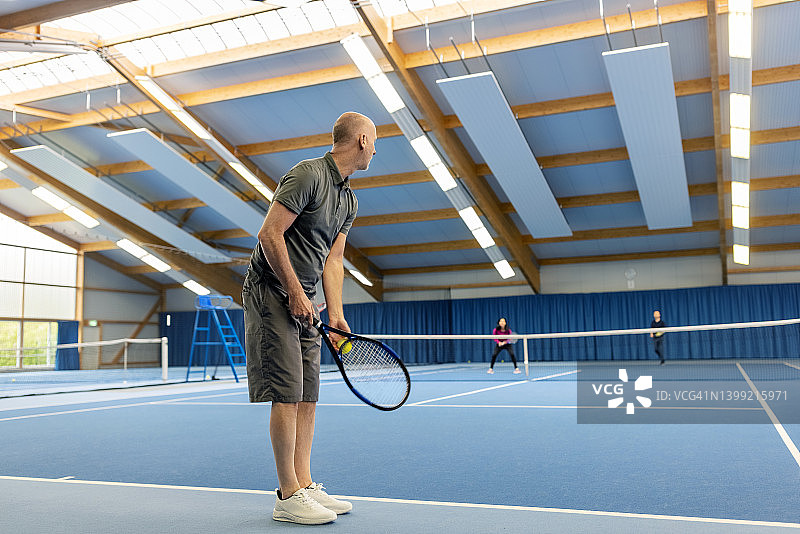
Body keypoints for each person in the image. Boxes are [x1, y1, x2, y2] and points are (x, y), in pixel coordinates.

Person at [243, 112, 376, 525]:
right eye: (374, 142)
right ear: (361, 140)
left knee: (308, 394)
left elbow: (333, 261)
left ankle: (304, 484)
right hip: (270, 292)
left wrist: (336, 316)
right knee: (287, 392)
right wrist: (295, 292)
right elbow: (269, 234)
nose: (374, 151)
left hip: (306, 301)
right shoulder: (308, 175)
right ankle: (287, 495)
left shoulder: (349, 200)